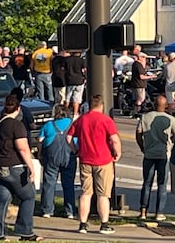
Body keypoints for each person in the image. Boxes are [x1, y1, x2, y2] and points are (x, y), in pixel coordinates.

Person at [0, 95, 42, 241]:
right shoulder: (16, 125)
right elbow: (23, 148)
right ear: (18, 109)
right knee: (28, 196)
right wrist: (31, 167)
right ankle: (25, 231)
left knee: (2, 199)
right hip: (14, 165)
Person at [67, 94, 121, 235]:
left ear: (89, 105)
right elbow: (114, 140)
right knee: (103, 195)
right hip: (103, 160)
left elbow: (68, 137)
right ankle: (104, 224)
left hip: (85, 160)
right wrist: (117, 153)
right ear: (101, 106)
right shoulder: (106, 120)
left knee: (86, 193)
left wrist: (76, 150)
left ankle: (83, 224)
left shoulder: (81, 120)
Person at [136, 95, 175, 221]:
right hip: (164, 155)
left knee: (147, 183)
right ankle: (159, 212)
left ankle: (143, 211)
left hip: (149, 154)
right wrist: (171, 143)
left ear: (154, 104)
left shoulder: (145, 117)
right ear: (165, 106)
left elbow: (138, 134)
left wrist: (142, 147)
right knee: (162, 184)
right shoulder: (171, 119)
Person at [39, 104, 78, 219]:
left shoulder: (48, 125)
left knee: (49, 183)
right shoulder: (72, 124)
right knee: (68, 184)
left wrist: (40, 154)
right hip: (69, 156)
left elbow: (40, 141)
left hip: (51, 157)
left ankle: (47, 210)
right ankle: (70, 211)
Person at [64, 50, 86, 118]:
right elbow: (85, 70)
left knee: (67, 98)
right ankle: (75, 113)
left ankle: (65, 112)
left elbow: (64, 69)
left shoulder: (67, 60)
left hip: (70, 80)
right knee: (77, 98)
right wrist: (85, 77)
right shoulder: (81, 60)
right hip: (79, 81)